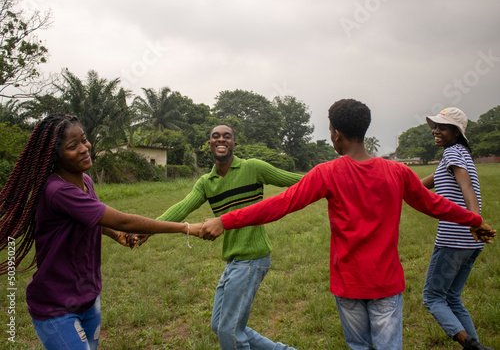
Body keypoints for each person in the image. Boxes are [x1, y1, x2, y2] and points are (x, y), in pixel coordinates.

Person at [200, 100, 496, 350]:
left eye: (330, 131)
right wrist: (474, 220)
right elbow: (434, 204)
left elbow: (278, 205)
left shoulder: (327, 172)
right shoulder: (397, 172)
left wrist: (225, 220)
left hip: (349, 285)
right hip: (386, 285)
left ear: (337, 134)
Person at [0, 114, 202, 350]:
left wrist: (115, 235)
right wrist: (187, 228)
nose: (84, 149)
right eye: (72, 146)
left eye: (84, 140)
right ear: (54, 156)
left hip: (87, 296)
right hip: (56, 307)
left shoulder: (85, 180)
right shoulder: (57, 191)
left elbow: (91, 218)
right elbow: (125, 221)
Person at [156, 124, 302, 349]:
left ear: (234, 144)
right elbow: (182, 208)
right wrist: (148, 228)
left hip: (253, 257)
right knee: (219, 325)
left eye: (227, 137)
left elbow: (296, 180)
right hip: (233, 261)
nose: (221, 140)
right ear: (209, 145)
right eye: (215, 137)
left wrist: (331, 180)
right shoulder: (207, 182)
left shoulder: (253, 168)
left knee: (229, 330)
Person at [420, 108, 495, 350]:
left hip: (454, 238)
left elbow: (467, 188)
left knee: (433, 297)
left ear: (456, 132)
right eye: (435, 126)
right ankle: (477, 347)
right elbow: (418, 186)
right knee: (452, 297)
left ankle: (468, 343)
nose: (436, 131)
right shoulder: (456, 155)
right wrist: (392, 186)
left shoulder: (453, 154)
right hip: (472, 242)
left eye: (442, 127)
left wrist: (475, 220)